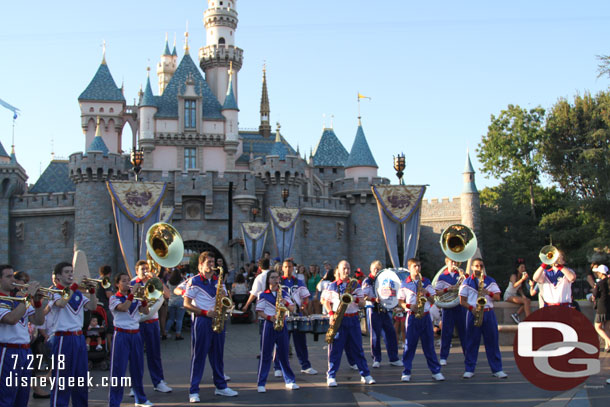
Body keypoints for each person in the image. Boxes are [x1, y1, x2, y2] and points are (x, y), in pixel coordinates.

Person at [183, 251, 238, 402]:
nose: (212, 266)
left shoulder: (217, 280)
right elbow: (186, 304)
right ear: (200, 265)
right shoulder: (194, 281)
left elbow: (226, 299)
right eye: (209, 263)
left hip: (218, 319)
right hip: (202, 320)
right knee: (199, 356)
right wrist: (205, 312)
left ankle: (221, 386)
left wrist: (228, 301)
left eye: (213, 263)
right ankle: (193, 391)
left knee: (218, 355)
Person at [47, 261, 98, 406]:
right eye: (67, 272)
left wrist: (92, 291)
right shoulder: (54, 291)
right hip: (63, 338)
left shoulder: (77, 293)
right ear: (58, 276)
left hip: (79, 338)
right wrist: (74, 286)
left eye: (71, 271)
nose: (70, 274)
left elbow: (92, 306)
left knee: (80, 379)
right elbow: (62, 303)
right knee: (62, 380)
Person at [322, 260, 375, 387]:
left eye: (348, 268)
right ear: (339, 271)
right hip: (339, 319)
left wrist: (354, 298)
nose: (347, 271)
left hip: (353, 318)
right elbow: (325, 301)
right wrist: (330, 314)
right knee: (335, 349)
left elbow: (362, 303)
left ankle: (365, 374)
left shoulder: (355, 285)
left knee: (358, 348)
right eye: (344, 268)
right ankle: (331, 375)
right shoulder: (332, 286)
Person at [0, 264, 45, 407]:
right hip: (7, 351)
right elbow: (11, 319)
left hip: (25, 351)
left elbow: (38, 320)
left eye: (13, 276)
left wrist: (37, 302)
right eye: (8, 276)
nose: (13, 279)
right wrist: (28, 296)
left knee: (22, 396)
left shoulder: (19, 300)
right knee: (6, 396)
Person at [108, 273, 152, 407]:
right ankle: (114, 402)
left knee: (137, 368)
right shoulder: (114, 298)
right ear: (117, 284)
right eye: (124, 281)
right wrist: (133, 294)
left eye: (128, 280)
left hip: (136, 334)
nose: (127, 283)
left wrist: (143, 298)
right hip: (121, 335)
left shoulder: (134, 297)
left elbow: (146, 311)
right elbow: (123, 308)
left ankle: (141, 399)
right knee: (118, 369)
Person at [397, 258, 444, 382]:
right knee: (409, 345)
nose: (417, 268)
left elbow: (434, 300)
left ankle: (435, 371)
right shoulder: (404, 283)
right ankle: (406, 371)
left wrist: (426, 293)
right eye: (414, 266)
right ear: (410, 268)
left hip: (426, 316)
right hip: (412, 316)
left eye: (419, 266)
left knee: (429, 345)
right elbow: (400, 302)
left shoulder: (426, 281)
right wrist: (409, 306)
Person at [459, 258, 507, 379]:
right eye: (476, 266)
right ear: (472, 268)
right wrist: (472, 308)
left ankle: (497, 369)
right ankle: (469, 369)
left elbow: (497, 297)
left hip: (488, 313)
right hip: (473, 312)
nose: (479, 268)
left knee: (492, 342)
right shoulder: (467, 282)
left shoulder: (490, 281)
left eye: (481, 266)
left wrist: (488, 292)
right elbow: (462, 301)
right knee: (471, 342)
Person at [130, 260, 172, 393]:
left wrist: (157, 279)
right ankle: (134, 385)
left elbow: (168, 294)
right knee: (136, 355)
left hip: (152, 322)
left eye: (147, 268)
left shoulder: (153, 281)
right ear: (136, 271)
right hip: (137, 323)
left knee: (154, 354)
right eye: (142, 269)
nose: (145, 271)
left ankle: (158, 381)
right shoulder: (132, 283)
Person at [256, 269, 300, 392]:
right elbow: (259, 312)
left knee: (284, 354)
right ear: (268, 280)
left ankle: (289, 380)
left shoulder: (284, 293)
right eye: (273, 278)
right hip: (269, 325)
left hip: (282, 325)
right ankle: (261, 383)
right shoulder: (263, 294)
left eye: (277, 278)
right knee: (265, 354)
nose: (275, 280)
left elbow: (292, 309)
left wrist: (284, 301)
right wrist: (271, 318)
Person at [272, 259, 317, 376]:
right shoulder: (277, 281)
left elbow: (306, 297)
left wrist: (304, 306)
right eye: (286, 267)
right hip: (282, 316)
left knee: (301, 342)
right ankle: (278, 367)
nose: (288, 269)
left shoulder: (299, 281)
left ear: (293, 268)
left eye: (290, 267)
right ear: (282, 268)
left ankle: (305, 366)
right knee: (281, 342)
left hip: (297, 314)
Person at [361, 260, 401, 368]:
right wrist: (374, 299)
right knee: (375, 336)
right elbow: (363, 295)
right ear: (371, 269)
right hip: (373, 310)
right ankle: (376, 359)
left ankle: (394, 358)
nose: (377, 271)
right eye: (375, 269)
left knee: (391, 334)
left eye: (379, 269)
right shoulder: (368, 281)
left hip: (384, 310)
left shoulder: (384, 279)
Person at [434, 257, 468, 366]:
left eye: (455, 262)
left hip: (460, 306)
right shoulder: (442, 276)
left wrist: (465, 276)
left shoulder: (462, 275)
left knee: (463, 332)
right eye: (451, 262)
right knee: (446, 332)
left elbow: (470, 287)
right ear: (447, 263)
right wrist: (447, 289)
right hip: (448, 307)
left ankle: (468, 355)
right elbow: (436, 293)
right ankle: (443, 356)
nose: (453, 264)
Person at [504, 258, 532, 323]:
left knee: (527, 301)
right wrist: (522, 279)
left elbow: (519, 288)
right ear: (517, 268)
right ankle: (529, 319)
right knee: (525, 301)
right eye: (522, 267)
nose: (523, 269)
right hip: (508, 295)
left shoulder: (521, 276)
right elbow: (514, 285)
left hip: (514, 295)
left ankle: (516, 314)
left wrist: (523, 295)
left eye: (524, 267)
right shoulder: (513, 276)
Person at [95, 265, 114, 352]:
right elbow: (109, 295)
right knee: (110, 331)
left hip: (98, 308)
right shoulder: (106, 280)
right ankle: (111, 351)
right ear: (109, 273)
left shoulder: (97, 280)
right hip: (106, 308)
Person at [592, 264, 610, 352]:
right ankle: (607, 346)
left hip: (602, 307)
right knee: (607, 327)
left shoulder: (600, 283)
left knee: (597, 327)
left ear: (600, 273)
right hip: (609, 306)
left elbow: (594, 295)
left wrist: (594, 289)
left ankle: (609, 342)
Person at [165, 268, 186, 340]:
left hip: (171, 302)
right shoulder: (182, 281)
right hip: (180, 301)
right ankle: (178, 334)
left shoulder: (168, 282)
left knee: (171, 319)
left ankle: (165, 332)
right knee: (179, 319)